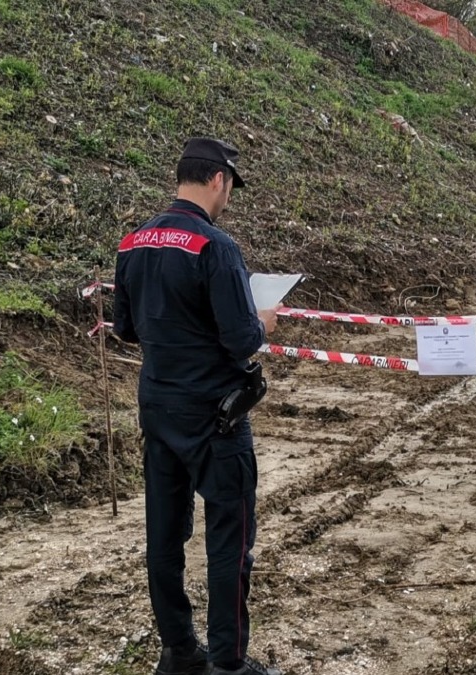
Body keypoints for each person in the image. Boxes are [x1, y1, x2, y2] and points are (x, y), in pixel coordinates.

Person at [113, 137, 281, 675]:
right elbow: (240, 340)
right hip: (217, 418)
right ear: (218, 181)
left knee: (163, 537)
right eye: (230, 186)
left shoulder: (132, 242)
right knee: (230, 541)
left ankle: (179, 652)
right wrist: (263, 323)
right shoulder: (217, 247)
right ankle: (229, 662)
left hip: (159, 411)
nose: (228, 196)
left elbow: (125, 329)